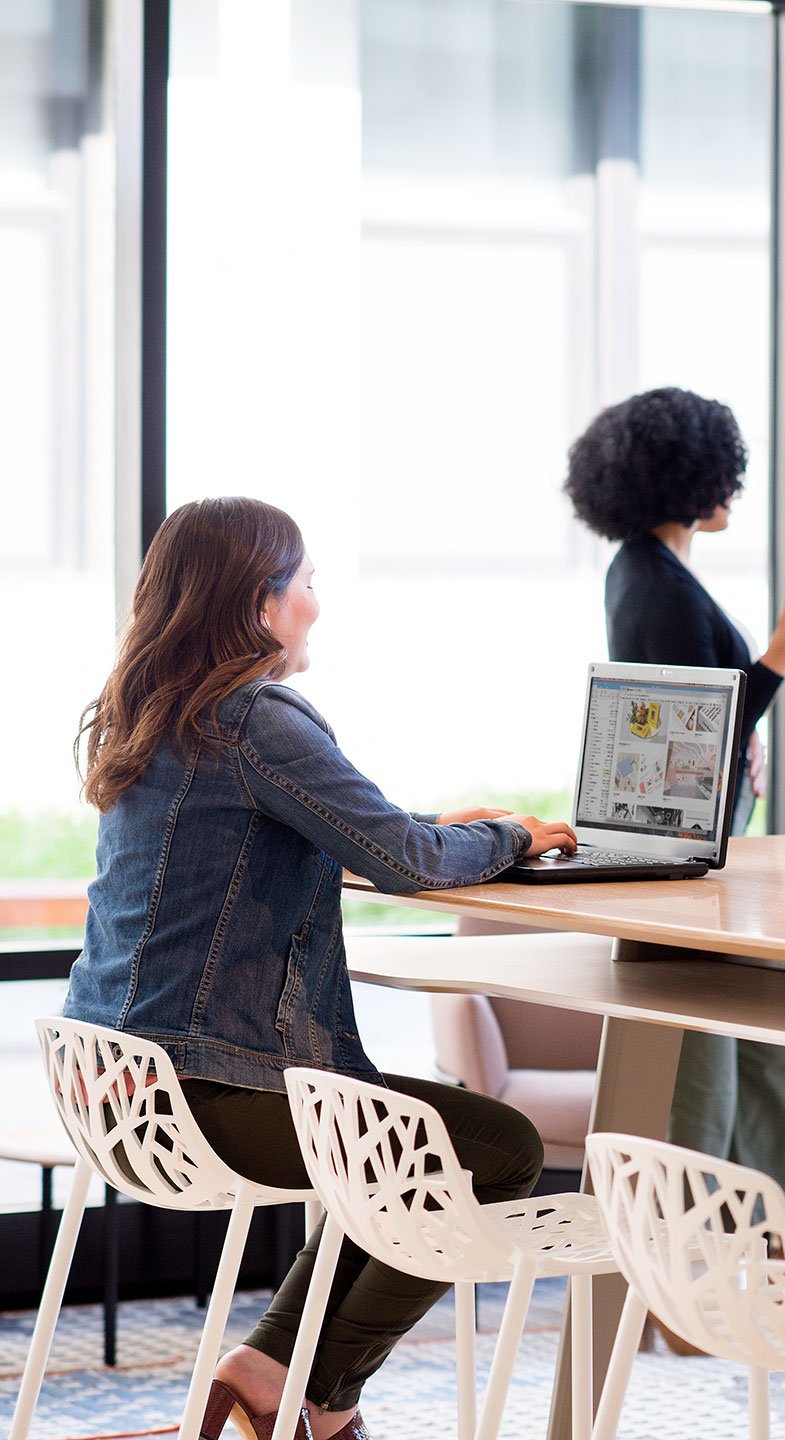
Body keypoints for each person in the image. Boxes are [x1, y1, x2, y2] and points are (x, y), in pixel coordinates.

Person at [63, 497, 577, 1440]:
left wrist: (440, 826)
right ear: (260, 605)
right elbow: (407, 864)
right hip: (200, 1093)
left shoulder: (152, 712)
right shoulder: (254, 716)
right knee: (492, 1149)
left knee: (388, 1139)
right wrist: (511, 835)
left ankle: (269, 1364)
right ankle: (320, 1399)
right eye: (305, 584)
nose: (315, 606)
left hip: (112, 1092)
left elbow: (319, 834)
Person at [563, 387, 785, 1283]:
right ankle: (693, 1266)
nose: (732, 491)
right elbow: (695, 738)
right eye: (720, 474)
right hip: (687, 866)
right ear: (686, 480)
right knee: (712, 1061)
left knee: (758, 1046)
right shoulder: (653, 583)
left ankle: (783, 1228)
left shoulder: (650, 571)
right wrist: (784, 649)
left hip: (711, 858)